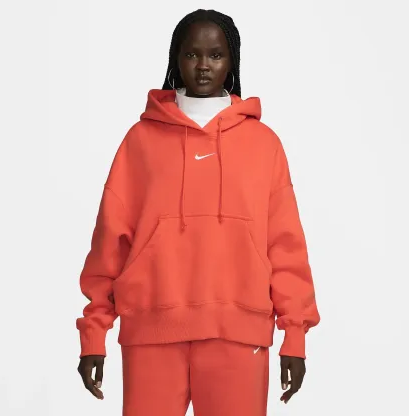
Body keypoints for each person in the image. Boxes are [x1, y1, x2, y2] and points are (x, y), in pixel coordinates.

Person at [76, 8, 320, 416]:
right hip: (151, 333)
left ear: (232, 60)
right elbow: (109, 243)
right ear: (176, 59)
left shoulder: (264, 144)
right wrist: (93, 334)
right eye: (192, 54)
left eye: (216, 55)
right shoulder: (140, 141)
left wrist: (295, 335)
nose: (203, 65)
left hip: (239, 335)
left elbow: (285, 246)